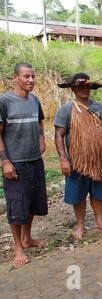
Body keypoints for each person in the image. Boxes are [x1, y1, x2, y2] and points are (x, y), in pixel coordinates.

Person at [55, 72, 102, 240]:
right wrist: (63, 159)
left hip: (99, 160)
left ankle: (100, 221)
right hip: (77, 162)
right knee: (78, 195)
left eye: (87, 86)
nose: (84, 89)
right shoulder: (66, 110)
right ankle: (80, 225)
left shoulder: (100, 108)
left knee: (98, 194)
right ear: (73, 89)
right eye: (80, 86)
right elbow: (59, 135)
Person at [0, 62, 48, 265]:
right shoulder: (4, 101)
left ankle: (27, 238)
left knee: (33, 202)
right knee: (17, 206)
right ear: (15, 78)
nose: (31, 80)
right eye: (26, 76)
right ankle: (18, 248)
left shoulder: (34, 100)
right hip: (16, 163)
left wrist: (42, 137)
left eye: (33, 76)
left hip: (35, 160)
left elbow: (39, 121)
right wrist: (5, 161)